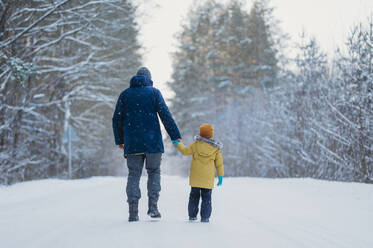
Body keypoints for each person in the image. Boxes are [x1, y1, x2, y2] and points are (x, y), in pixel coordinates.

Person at [112, 67, 181, 222]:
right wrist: (175, 136)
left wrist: (120, 140)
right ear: (149, 79)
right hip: (153, 143)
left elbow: (116, 119)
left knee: (133, 174)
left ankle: (133, 211)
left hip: (133, 143)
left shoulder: (125, 95)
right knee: (154, 172)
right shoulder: (154, 93)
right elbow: (165, 115)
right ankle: (153, 207)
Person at [172, 123, 224, 223]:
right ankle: (205, 218)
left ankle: (192, 216)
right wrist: (220, 175)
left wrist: (179, 144)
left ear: (201, 133)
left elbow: (185, 151)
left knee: (194, 197)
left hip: (195, 177)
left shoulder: (196, 145)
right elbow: (219, 163)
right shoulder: (216, 148)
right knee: (207, 198)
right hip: (207, 179)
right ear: (211, 135)